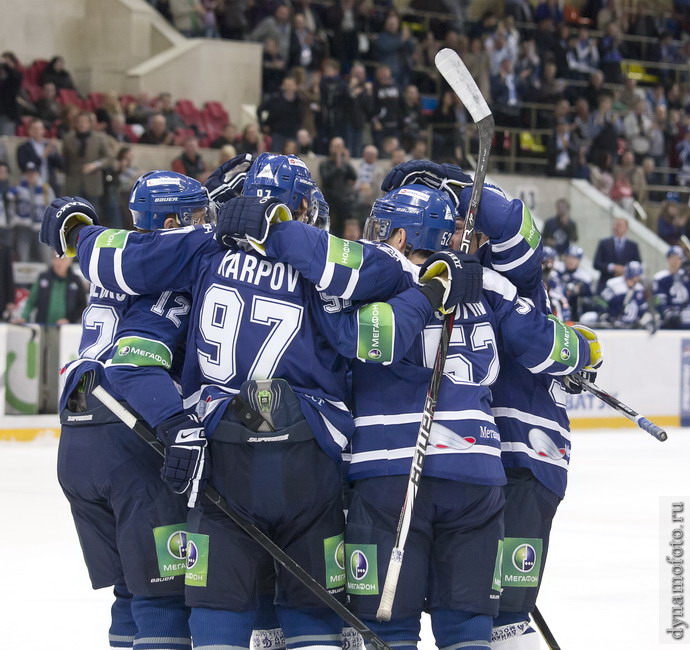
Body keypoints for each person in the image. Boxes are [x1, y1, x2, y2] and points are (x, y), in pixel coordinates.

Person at [40, 154, 471, 650]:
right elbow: (377, 329)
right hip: (308, 448)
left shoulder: (202, 248)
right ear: (305, 208)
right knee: (308, 606)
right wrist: (434, 284)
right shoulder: (325, 266)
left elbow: (126, 267)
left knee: (200, 600)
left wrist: (78, 233)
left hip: (217, 441)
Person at [377, 160, 603, 648]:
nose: (448, 233)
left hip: (525, 457)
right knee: (468, 612)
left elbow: (515, 228)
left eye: (457, 222)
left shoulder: (508, 275)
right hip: (478, 465)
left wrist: (458, 183)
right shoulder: (441, 278)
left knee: (498, 620)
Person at [43, 174, 213, 649]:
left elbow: (94, 243)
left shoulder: (111, 259)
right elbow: (137, 358)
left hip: (76, 437)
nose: (205, 224)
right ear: (176, 219)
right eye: (197, 214)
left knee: (128, 587)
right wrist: (176, 424)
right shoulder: (171, 275)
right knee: (164, 593)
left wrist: (78, 230)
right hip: (129, 433)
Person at [62, 111, 113, 209]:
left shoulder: (100, 138)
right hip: (73, 180)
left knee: (92, 211)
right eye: (79, 122)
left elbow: (109, 158)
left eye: (85, 122)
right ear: (75, 123)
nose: (82, 124)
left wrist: (95, 165)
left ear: (90, 124)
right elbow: (65, 159)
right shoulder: (68, 139)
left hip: (93, 181)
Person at [8, 161, 56, 263]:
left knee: (46, 256)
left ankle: (47, 276)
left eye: (33, 173)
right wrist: (13, 220)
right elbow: (10, 205)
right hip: (23, 226)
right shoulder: (17, 187)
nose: (30, 175)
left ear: (38, 174)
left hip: (41, 227)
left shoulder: (45, 188)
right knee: (23, 254)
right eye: (28, 173)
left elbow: (53, 208)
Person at [15, 256, 86, 325]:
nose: (58, 263)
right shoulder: (43, 277)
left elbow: (82, 305)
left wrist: (69, 319)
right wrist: (23, 317)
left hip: (67, 328)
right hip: (43, 326)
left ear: (69, 262)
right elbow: (31, 301)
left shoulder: (76, 281)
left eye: (62, 260)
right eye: (56, 259)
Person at [318, 137, 357, 236]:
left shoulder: (345, 164)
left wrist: (347, 163)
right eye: (336, 147)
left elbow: (353, 176)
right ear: (331, 148)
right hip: (329, 198)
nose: (339, 150)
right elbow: (326, 179)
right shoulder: (325, 164)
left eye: (341, 147)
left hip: (344, 200)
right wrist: (338, 165)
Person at [16, 117, 64, 195]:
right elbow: (24, 166)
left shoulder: (49, 146)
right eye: (34, 128)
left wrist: (54, 153)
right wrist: (43, 155)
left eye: (40, 128)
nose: (37, 131)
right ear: (29, 131)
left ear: (43, 131)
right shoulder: (23, 148)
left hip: (50, 184)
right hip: (32, 186)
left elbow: (61, 165)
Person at [592, 218, 641, 293]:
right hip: (606, 283)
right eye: (615, 225)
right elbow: (596, 263)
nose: (616, 227)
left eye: (619, 225)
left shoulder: (632, 246)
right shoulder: (604, 243)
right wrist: (612, 267)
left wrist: (625, 270)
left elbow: (637, 263)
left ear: (626, 228)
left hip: (626, 286)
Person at [598, 260, 649, 328]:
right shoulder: (613, 284)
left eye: (637, 276)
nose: (635, 279)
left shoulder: (639, 288)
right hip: (610, 320)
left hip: (629, 324)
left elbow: (642, 307)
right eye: (632, 277)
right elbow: (601, 302)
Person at [653, 246, 690, 329]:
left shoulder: (686, 276)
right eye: (674, 258)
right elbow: (657, 300)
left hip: (687, 318)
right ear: (668, 259)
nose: (676, 261)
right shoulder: (660, 278)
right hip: (670, 320)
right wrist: (667, 313)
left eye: (679, 258)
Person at [559, 245, 594, 322]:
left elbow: (589, 297)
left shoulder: (584, 276)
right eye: (569, 257)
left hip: (574, 309)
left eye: (574, 258)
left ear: (579, 260)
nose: (570, 261)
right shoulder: (557, 269)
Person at [0, 51, 23, 136]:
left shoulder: (17, 75)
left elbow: (14, 78)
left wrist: (6, 65)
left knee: (6, 140)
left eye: (8, 62)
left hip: (9, 114)